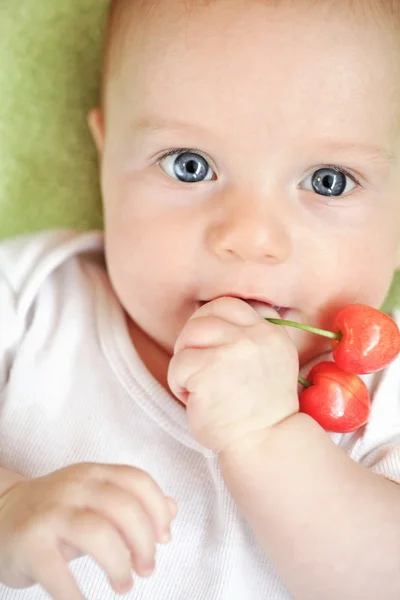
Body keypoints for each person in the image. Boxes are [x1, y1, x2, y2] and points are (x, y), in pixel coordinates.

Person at [1, 0, 400, 598]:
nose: (249, 238)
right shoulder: (30, 297)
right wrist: (10, 508)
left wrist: (266, 439)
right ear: (105, 155)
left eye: (329, 181)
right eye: (190, 166)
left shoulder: (383, 386)